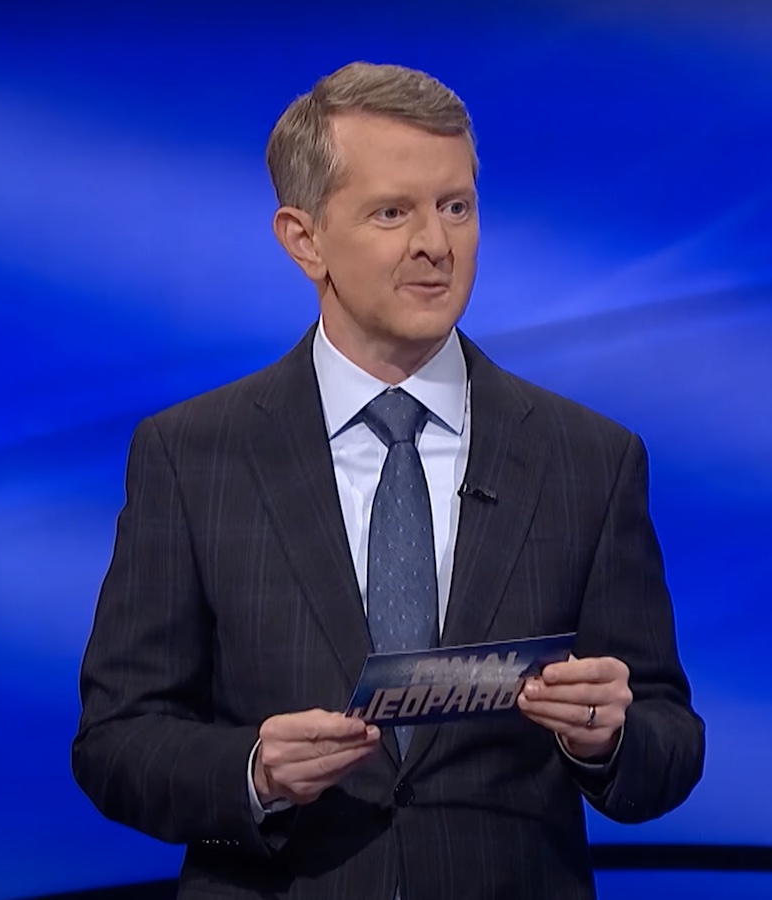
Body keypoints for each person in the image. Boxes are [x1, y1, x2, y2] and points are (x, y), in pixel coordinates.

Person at [72, 61, 704, 900]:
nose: (435, 245)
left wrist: (608, 739)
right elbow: (115, 744)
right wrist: (255, 769)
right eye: (392, 213)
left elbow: (667, 739)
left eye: (456, 207)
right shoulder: (193, 457)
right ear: (304, 239)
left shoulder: (587, 457)